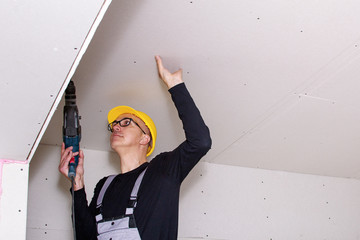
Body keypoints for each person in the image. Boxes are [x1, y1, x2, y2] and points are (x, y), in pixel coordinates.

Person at [59, 55, 212, 239]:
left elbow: (200, 142)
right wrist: (77, 182)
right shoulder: (104, 186)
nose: (115, 127)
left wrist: (175, 86)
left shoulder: (162, 169)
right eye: (114, 125)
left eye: (126, 122)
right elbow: (85, 236)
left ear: (144, 138)